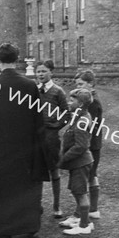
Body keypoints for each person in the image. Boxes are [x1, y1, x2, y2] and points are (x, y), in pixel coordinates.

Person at [0, 43, 49, 238]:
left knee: (3, 191)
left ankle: (4, 236)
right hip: (26, 147)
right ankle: (30, 230)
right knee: (26, 187)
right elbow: (38, 119)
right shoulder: (29, 85)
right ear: (17, 59)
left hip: (1, 148)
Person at [57, 88, 95, 235]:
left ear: (80, 104)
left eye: (72, 100)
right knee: (77, 190)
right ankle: (80, 218)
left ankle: (85, 225)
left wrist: (62, 159)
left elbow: (81, 146)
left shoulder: (82, 120)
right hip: (79, 163)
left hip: (81, 162)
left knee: (80, 192)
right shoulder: (79, 116)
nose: (68, 102)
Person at [35, 60, 68, 218]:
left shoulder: (58, 91)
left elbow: (67, 114)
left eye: (43, 71)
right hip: (36, 135)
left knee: (54, 170)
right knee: (37, 170)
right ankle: (37, 204)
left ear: (51, 72)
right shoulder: (33, 90)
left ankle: (56, 206)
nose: (40, 74)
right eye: (38, 71)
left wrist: (56, 126)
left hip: (51, 136)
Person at [73, 69, 103, 219]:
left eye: (81, 84)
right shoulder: (90, 99)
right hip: (93, 143)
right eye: (76, 85)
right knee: (92, 175)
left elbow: (90, 126)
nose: (78, 88)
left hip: (91, 144)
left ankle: (81, 213)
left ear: (90, 84)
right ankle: (93, 209)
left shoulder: (91, 102)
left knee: (85, 176)